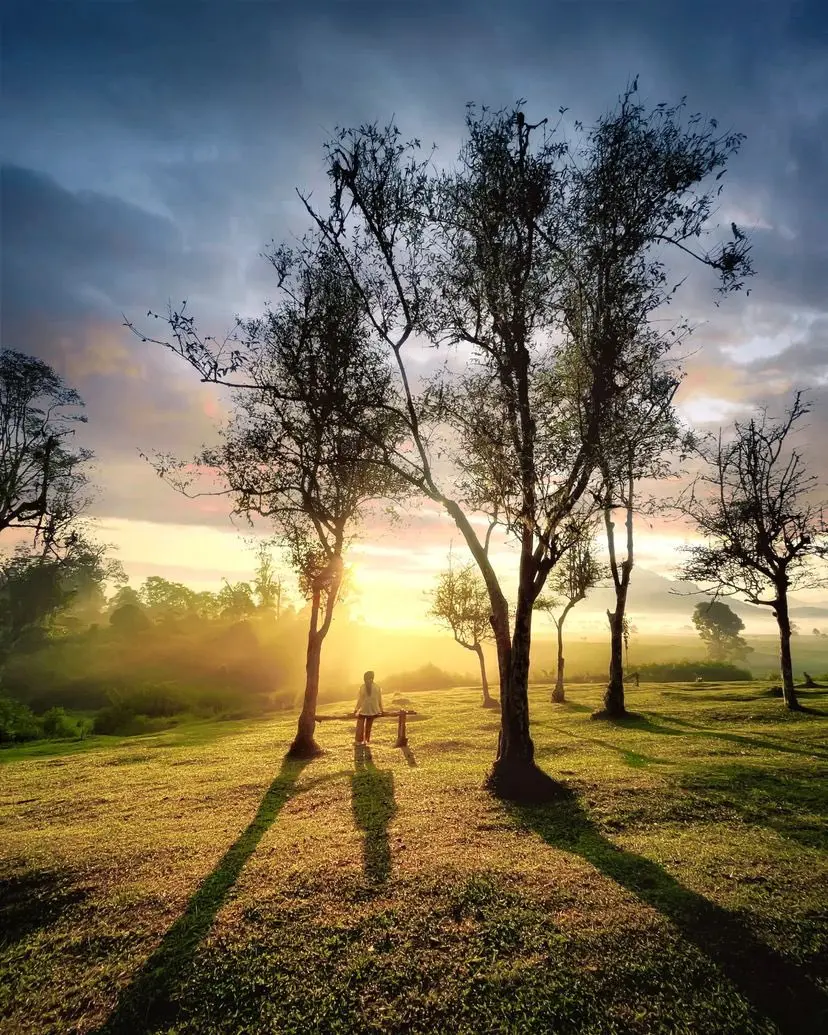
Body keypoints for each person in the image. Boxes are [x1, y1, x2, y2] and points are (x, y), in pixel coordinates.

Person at [354, 670, 384, 745]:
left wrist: (356, 709)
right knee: (368, 726)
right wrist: (381, 710)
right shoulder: (377, 687)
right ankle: (366, 740)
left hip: (365, 711)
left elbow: (360, 700)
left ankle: (359, 741)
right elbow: (379, 700)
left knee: (360, 726)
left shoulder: (363, 687)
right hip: (374, 711)